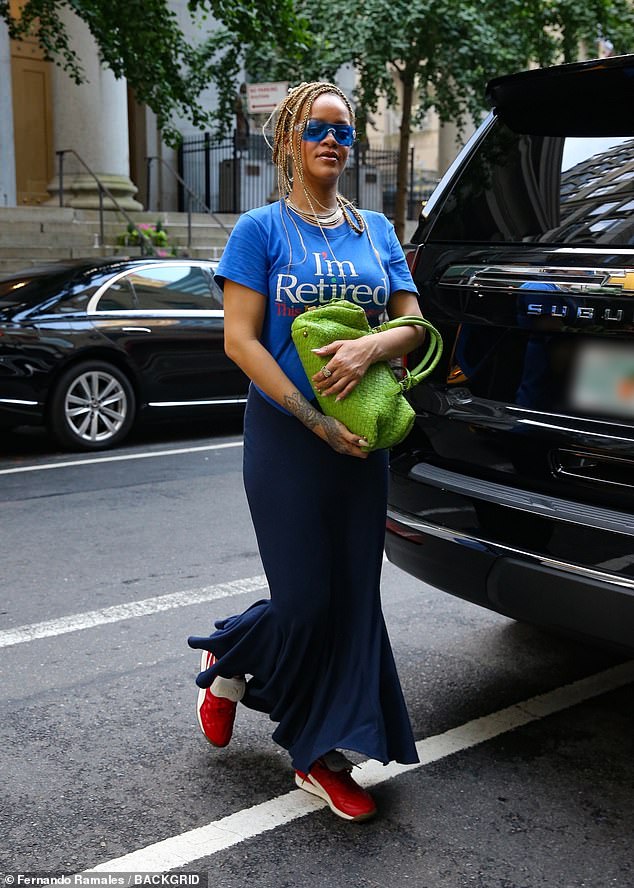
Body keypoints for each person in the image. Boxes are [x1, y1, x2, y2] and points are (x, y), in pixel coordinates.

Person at [188, 80, 423, 822]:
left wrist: (373, 346)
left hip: (366, 442)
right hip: (288, 440)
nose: (333, 141)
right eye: (319, 129)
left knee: (352, 599)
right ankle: (236, 665)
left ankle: (315, 755)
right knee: (305, 600)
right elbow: (241, 340)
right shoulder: (259, 231)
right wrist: (313, 421)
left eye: (345, 133)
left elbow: (414, 324)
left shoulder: (376, 231)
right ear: (291, 136)